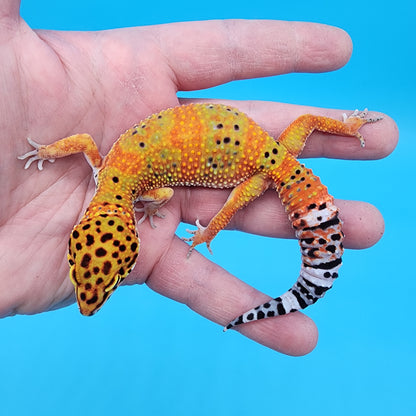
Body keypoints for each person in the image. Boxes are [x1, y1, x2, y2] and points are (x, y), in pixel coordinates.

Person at [0, 3, 398, 355]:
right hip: (265, 152)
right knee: (306, 125)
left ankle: (244, 248)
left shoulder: (133, 187)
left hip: (261, 168)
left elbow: (162, 192)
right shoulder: (109, 171)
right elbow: (93, 147)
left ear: (80, 234)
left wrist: (195, 226)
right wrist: (49, 151)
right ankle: (349, 129)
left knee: (229, 208)